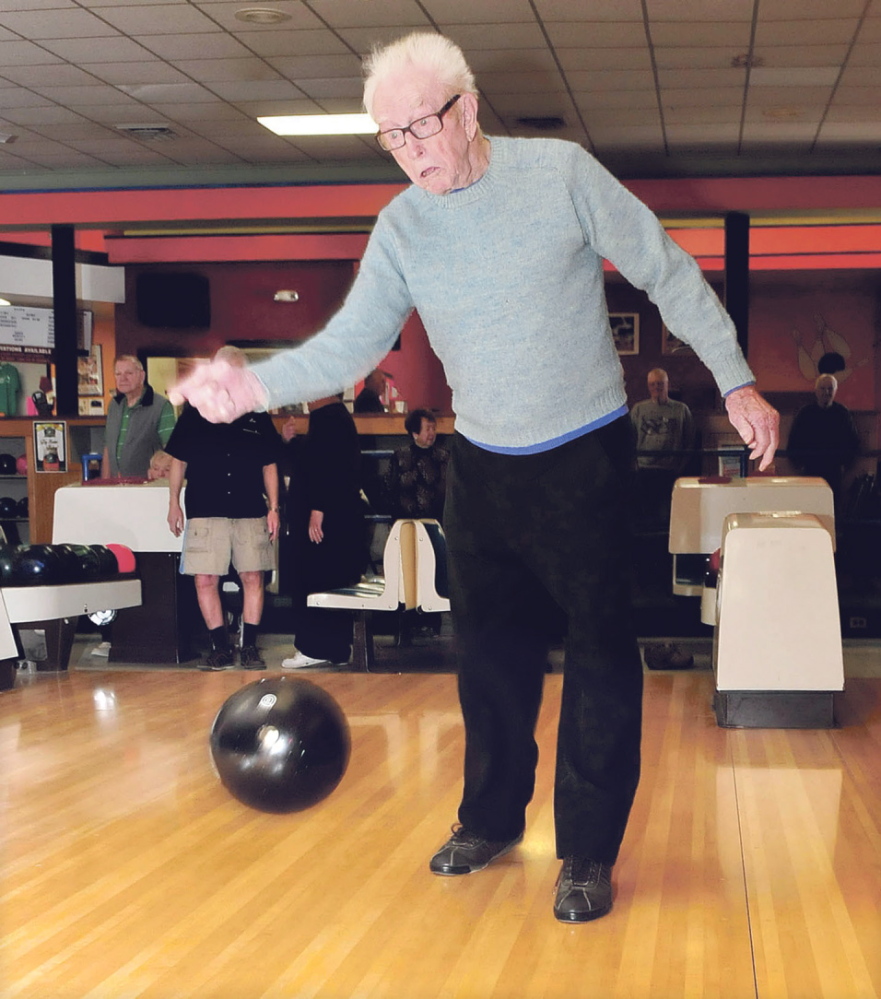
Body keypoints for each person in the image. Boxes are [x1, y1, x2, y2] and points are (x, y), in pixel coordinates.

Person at [169, 31, 779, 923]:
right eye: (391, 137)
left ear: (469, 106)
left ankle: (585, 851)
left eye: (422, 126)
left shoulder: (560, 174)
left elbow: (666, 270)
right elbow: (350, 342)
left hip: (585, 456)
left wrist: (735, 378)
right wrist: (253, 384)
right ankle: (490, 819)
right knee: (489, 661)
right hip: (482, 464)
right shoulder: (402, 226)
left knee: (603, 659)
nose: (411, 151)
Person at [165, 347, 281, 671]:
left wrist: (274, 507)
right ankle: (219, 646)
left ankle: (250, 648)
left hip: (249, 508)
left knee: (253, 577)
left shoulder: (257, 413)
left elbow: (269, 464)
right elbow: (178, 460)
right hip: (205, 508)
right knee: (204, 580)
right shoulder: (194, 410)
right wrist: (173, 502)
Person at [281, 393, 368, 669]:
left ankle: (314, 647)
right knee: (330, 579)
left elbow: (330, 467)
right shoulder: (334, 419)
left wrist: (318, 508)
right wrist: (290, 441)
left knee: (313, 577)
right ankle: (334, 647)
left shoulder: (330, 420)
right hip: (334, 520)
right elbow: (315, 461)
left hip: (322, 522)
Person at [630, 368, 695, 530]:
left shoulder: (681, 410)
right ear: (648, 386)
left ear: (667, 384)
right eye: (652, 384)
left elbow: (690, 439)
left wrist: (681, 465)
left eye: (660, 384)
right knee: (645, 513)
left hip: (670, 469)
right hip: (644, 468)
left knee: (668, 514)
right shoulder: (639, 409)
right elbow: (630, 438)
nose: (656, 387)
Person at [787, 373, 860, 501]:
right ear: (816, 390)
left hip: (834, 470)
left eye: (830, 388)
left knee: (831, 505)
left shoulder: (842, 413)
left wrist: (845, 465)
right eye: (822, 388)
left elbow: (853, 442)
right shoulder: (805, 413)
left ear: (835, 391)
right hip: (810, 469)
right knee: (810, 504)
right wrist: (799, 464)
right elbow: (794, 440)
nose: (826, 392)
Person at [102, 355, 176, 479]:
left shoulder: (161, 406)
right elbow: (108, 449)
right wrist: (104, 486)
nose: (123, 378)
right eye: (118, 374)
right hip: (116, 487)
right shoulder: (114, 405)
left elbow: (171, 451)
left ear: (142, 376)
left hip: (147, 487)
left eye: (129, 373)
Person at [385, 408, 449, 521]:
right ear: (415, 433)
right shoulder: (400, 456)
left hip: (436, 520)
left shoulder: (443, 457)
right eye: (428, 429)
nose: (432, 433)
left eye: (434, 429)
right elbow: (391, 489)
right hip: (405, 520)